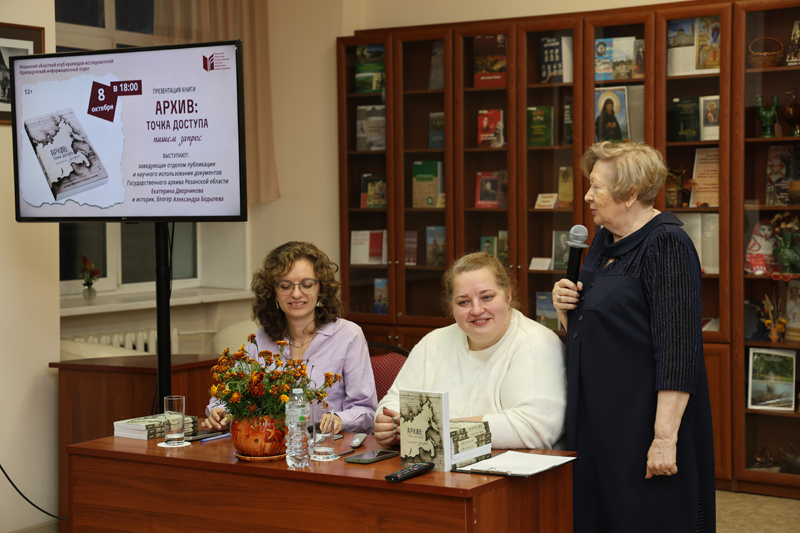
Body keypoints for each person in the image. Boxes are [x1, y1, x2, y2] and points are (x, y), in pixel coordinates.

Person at [552, 142, 716, 532]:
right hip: (597, 419)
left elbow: (678, 352)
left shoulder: (667, 244)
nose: (587, 196)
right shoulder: (602, 240)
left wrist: (664, 439)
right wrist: (563, 309)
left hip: (641, 423)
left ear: (629, 194)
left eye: (596, 187)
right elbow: (594, 328)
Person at [374, 252, 566, 449]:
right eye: (463, 302)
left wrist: (439, 429)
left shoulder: (538, 343)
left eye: (487, 297)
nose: (476, 310)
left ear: (508, 295)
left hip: (508, 466)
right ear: (451, 305)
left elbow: (534, 429)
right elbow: (394, 401)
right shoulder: (433, 342)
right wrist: (387, 423)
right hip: (434, 463)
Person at [202, 241, 378, 434]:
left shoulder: (348, 335)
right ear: (273, 292)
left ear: (321, 289)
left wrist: (339, 419)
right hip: (271, 443)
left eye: (307, 285)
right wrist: (220, 412)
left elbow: (367, 412)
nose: (296, 294)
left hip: (327, 445)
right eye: (285, 286)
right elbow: (227, 397)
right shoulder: (260, 340)